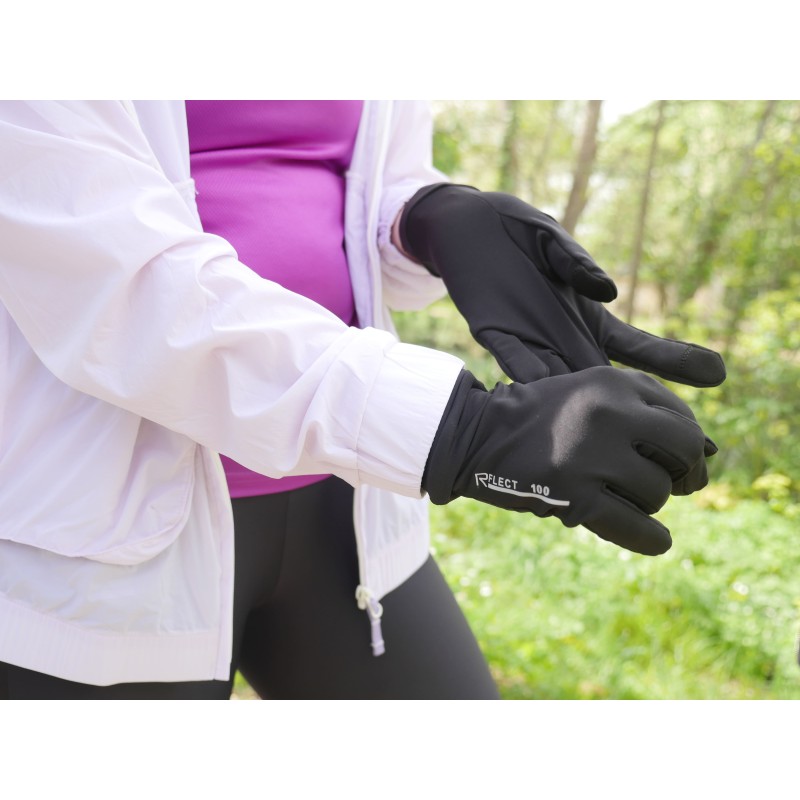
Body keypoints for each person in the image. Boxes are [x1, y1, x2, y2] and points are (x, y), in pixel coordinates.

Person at [0, 100, 724, 700]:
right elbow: (105, 271)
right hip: (100, 524)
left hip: (344, 499)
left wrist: (431, 218)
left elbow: (367, 180)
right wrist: (460, 430)